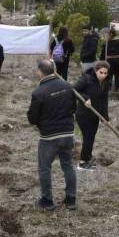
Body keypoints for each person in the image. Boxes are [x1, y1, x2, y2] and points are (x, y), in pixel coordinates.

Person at [27, 59, 77, 211]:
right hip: (68, 134)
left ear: (40, 72)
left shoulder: (38, 92)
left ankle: (47, 201)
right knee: (68, 165)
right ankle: (71, 199)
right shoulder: (68, 86)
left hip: (49, 137)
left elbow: (32, 118)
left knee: (44, 168)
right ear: (54, 70)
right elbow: (73, 108)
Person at [74, 61, 110, 171]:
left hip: (95, 115)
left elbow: (104, 100)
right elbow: (74, 90)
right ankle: (82, 163)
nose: (103, 75)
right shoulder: (86, 79)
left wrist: (105, 117)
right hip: (83, 114)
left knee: (91, 138)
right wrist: (85, 98)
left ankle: (87, 159)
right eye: (101, 72)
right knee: (88, 138)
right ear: (95, 70)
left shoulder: (105, 82)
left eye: (105, 73)